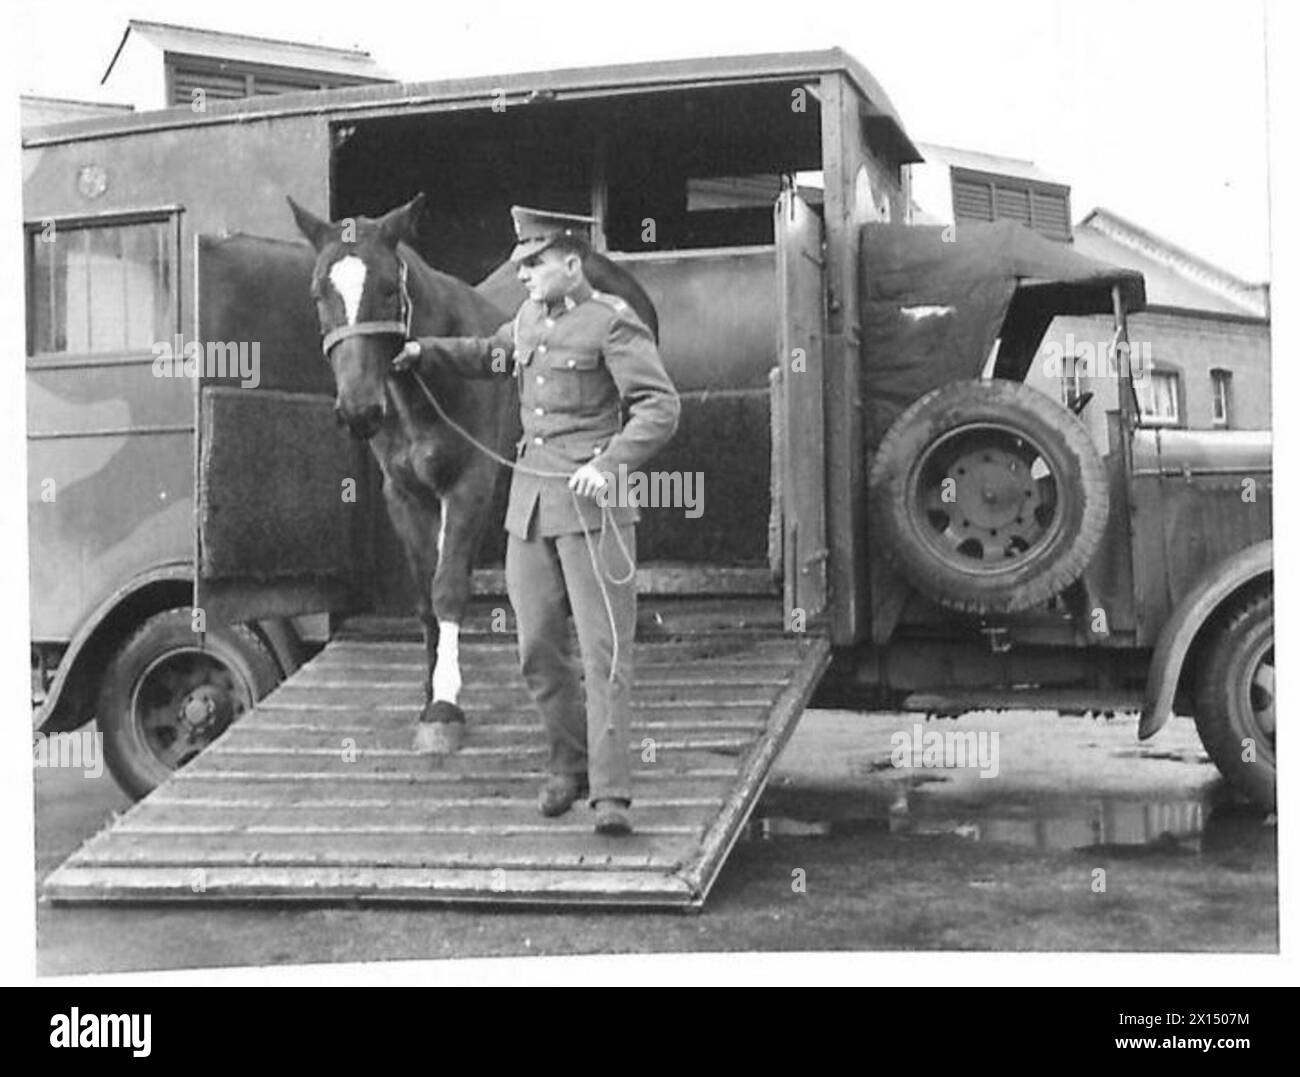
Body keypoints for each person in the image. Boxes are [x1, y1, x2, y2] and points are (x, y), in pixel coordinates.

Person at [393, 206, 680, 836]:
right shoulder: (524, 321)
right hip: (529, 509)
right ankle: (567, 763)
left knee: (604, 653)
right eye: (520, 262)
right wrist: (423, 352)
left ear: (571, 264)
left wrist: (610, 464)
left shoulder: (613, 325)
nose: (521, 274)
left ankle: (611, 793)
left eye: (534, 263)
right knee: (535, 647)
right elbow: (489, 355)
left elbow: (660, 407)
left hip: (592, 508)